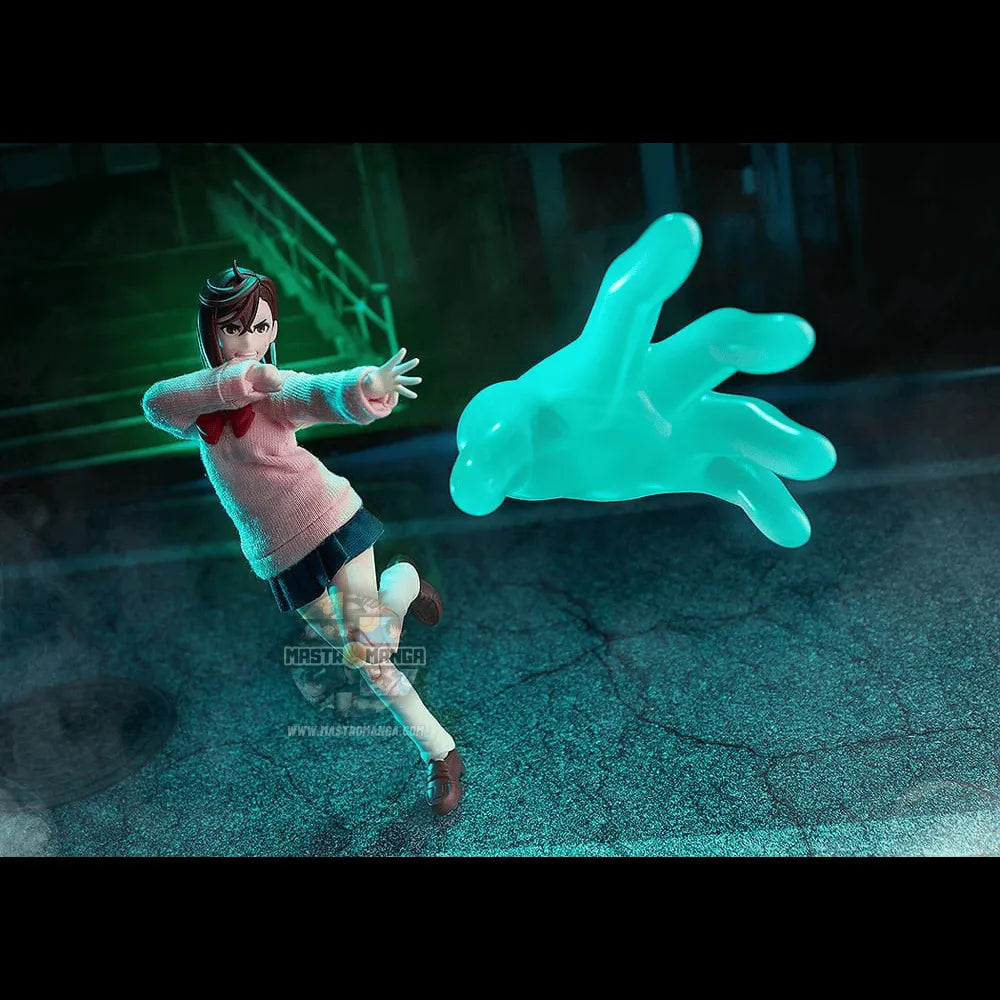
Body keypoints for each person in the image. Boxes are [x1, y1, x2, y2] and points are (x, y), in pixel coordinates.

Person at [140, 262, 464, 815]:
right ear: (211, 332)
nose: (250, 341)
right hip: (281, 553)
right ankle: (404, 582)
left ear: (273, 330)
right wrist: (238, 382)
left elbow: (317, 392)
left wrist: (367, 386)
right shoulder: (199, 404)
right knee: (363, 657)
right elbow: (156, 403)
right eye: (235, 329)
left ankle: (441, 754)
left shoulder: (275, 390)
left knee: (370, 651)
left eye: (261, 327)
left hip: (330, 521)